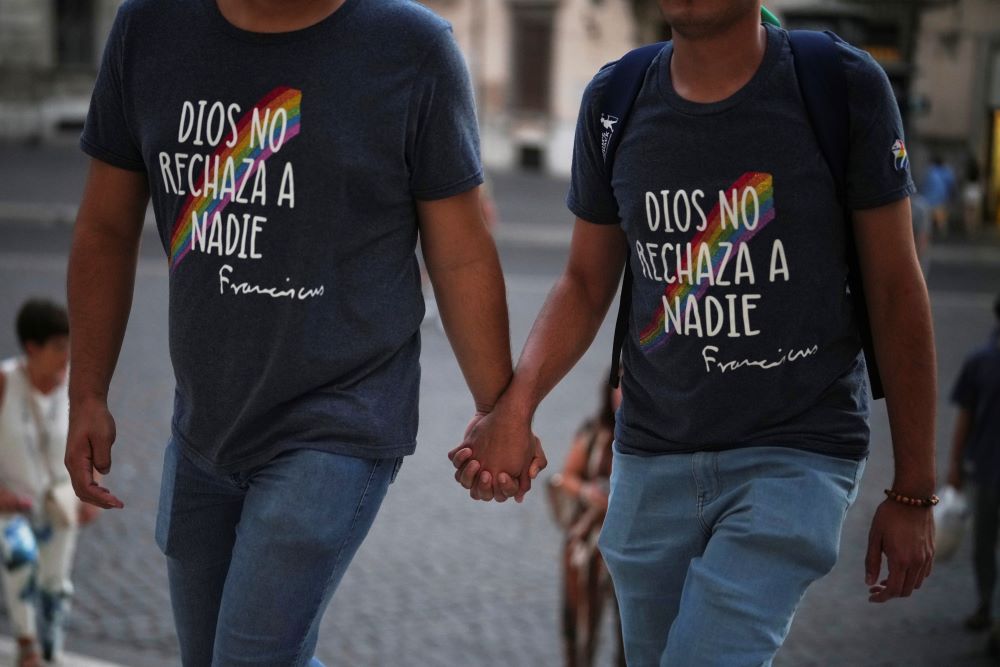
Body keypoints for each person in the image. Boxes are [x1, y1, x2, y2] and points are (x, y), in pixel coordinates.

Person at [451, 2, 937, 664]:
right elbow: (586, 284)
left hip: (792, 454)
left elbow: (896, 287)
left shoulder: (839, 87)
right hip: (651, 463)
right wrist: (517, 402)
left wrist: (913, 486)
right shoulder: (614, 100)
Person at [68, 1, 541, 665]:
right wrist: (86, 390)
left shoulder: (411, 47)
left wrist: (501, 412)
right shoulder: (150, 27)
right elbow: (105, 229)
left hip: (340, 417)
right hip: (204, 421)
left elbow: (460, 251)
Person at [0, 299, 99, 667]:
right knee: (21, 560)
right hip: (15, 505)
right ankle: (27, 646)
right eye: (59, 347)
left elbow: (91, 439)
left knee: (55, 584)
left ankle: (51, 651)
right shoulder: (5, 382)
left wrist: (92, 489)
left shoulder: (74, 386)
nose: (66, 356)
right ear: (32, 348)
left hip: (59, 502)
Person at [546, 374, 624, 667]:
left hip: (633, 545)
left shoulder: (656, 437)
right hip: (588, 545)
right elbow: (565, 477)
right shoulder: (594, 433)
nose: (625, 396)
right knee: (580, 627)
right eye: (620, 388)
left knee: (634, 633)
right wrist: (589, 491)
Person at [946, 295, 1000, 634]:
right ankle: (985, 605)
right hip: (985, 469)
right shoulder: (981, 361)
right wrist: (955, 466)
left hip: (985, 467)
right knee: (983, 547)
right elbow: (964, 417)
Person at [922, 155, 956, 235]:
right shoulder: (947, 171)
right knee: (941, 218)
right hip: (942, 198)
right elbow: (951, 184)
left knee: (929, 219)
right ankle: (942, 233)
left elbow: (925, 185)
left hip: (929, 198)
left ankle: (929, 235)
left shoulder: (930, 171)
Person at [963, 159, 984, 237]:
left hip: (968, 190)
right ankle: (973, 229)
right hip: (976, 191)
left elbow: (964, 182)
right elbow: (981, 183)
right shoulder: (979, 173)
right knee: (975, 212)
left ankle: (968, 228)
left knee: (967, 212)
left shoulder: (967, 173)